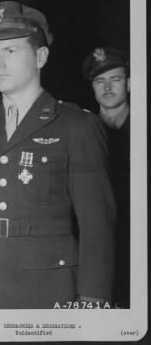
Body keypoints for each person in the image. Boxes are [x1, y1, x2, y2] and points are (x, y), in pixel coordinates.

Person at [0, 1, 116, 309]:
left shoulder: (76, 126)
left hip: (48, 289)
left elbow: (97, 226)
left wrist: (93, 303)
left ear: (40, 56)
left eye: (10, 51)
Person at [82, 47, 130, 308]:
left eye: (116, 79)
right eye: (100, 81)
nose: (107, 87)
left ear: (130, 83)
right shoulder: (83, 132)